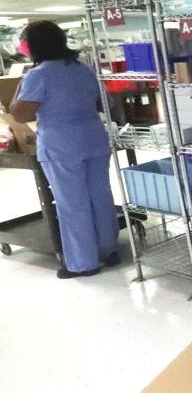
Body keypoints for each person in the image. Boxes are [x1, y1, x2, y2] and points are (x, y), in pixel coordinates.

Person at [10, 20, 119, 279]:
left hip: (62, 144)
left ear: (33, 46)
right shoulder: (84, 69)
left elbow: (21, 112)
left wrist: (17, 95)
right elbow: (104, 102)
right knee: (100, 197)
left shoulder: (38, 74)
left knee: (72, 204)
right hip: (93, 138)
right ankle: (109, 250)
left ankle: (83, 263)